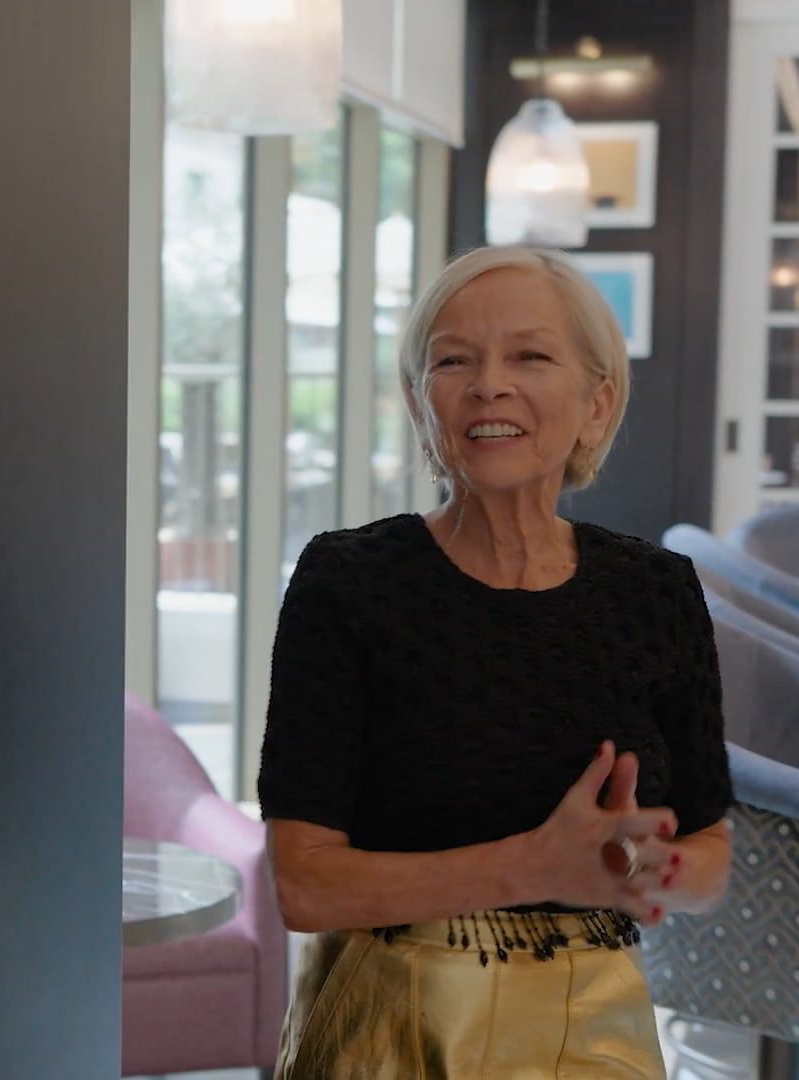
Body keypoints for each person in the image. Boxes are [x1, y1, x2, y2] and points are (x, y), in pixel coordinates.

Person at [258, 246, 734, 1078]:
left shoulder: (656, 589)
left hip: (597, 1039)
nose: (489, 385)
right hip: (393, 1035)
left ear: (596, 404)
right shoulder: (348, 581)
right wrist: (531, 866)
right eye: (453, 361)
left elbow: (709, 855)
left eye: (530, 356)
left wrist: (645, 868)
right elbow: (305, 887)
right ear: (421, 403)